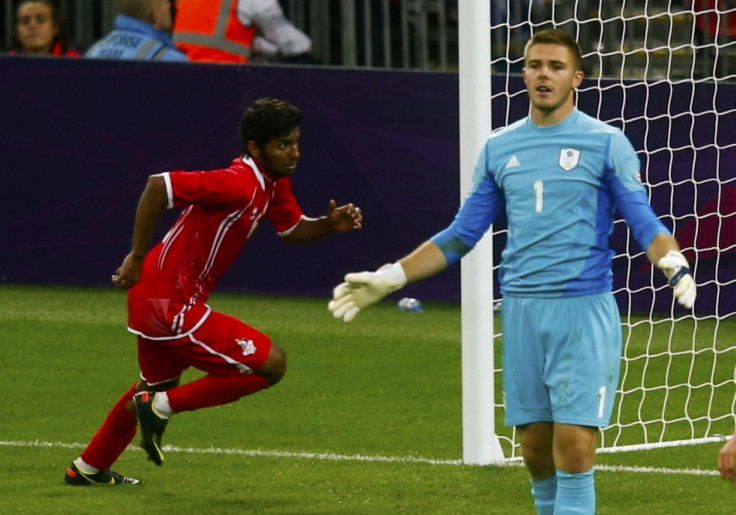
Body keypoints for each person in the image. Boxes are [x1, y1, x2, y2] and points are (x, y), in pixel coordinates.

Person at [328, 29, 697, 514]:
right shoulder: (500, 148)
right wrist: (392, 276)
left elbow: (645, 221)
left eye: (556, 66)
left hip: (582, 312)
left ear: (577, 78)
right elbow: (461, 234)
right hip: (522, 310)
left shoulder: (607, 143)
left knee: (574, 447)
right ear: (523, 73)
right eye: (535, 64)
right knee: (535, 450)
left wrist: (672, 261)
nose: (544, 74)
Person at [64, 97, 362, 486]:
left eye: (296, 141)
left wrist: (328, 225)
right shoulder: (238, 184)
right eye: (283, 144)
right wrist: (136, 255)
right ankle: (161, 408)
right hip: (168, 302)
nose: (294, 152)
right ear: (256, 148)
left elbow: (291, 230)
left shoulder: (271, 184)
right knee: (272, 364)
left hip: (154, 297)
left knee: (152, 386)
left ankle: (88, 468)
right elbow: (158, 186)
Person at [172, 0, 319, 64]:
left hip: (183, 75)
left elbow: (226, 38)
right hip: (224, 79)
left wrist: (275, 52)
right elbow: (292, 43)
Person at [85, 0, 187, 62]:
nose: (169, 5)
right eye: (165, 2)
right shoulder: (170, 60)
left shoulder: (93, 51)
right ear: (156, 15)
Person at [10, 0, 79, 56]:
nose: (32, 26)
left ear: (55, 28)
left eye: (41, 20)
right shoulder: (7, 61)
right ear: (17, 31)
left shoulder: (73, 59)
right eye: (25, 22)